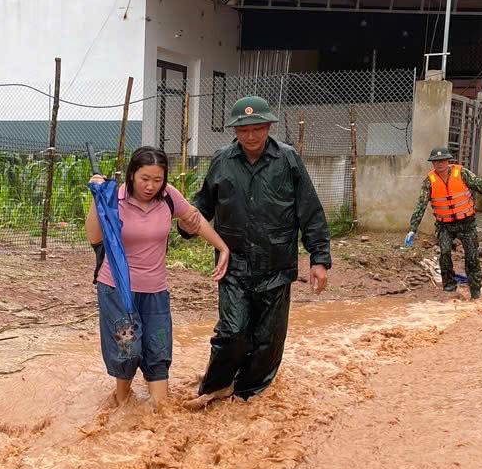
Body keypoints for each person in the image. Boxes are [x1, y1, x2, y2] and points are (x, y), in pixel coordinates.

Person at [187, 95, 332, 403]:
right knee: (232, 333)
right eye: (243, 130)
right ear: (235, 131)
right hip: (234, 264)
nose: (250, 136)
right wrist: (188, 222)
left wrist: (319, 259)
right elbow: (203, 204)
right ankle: (215, 387)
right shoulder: (222, 161)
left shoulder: (288, 160)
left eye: (257, 128)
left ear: (268, 127)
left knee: (268, 340)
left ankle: (247, 394)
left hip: (276, 264)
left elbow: (310, 212)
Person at [87, 146, 229, 407]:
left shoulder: (168, 197)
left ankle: (155, 411)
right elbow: (94, 237)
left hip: (155, 291)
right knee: (128, 350)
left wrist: (222, 247)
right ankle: (122, 398)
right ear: (132, 175)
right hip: (117, 289)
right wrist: (98, 199)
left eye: (157, 179)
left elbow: (195, 220)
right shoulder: (113, 198)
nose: (151, 186)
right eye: (144, 179)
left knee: (158, 349)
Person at [404, 146, 482, 301]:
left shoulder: (462, 174)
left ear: (448, 161)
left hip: (467, 223)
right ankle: (449, 286)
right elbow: (421, 205)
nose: (440, 164)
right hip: (445, 225)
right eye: (436, 161)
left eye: (443, 160)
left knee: (472, 256)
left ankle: (475, 290)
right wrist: (413, 228)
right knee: (445, 252)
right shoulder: (429, 182)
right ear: (432, 163)